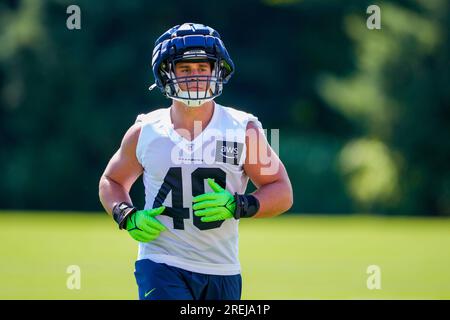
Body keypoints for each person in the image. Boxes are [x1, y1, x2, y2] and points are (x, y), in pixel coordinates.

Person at [98, 22, 293, 300]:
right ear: (167, 73)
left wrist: (238, 205)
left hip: (222, 269)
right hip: (160, 262)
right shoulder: (145, 131)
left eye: (203, 68)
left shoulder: (244, 129)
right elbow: (111, 180)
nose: (195, 77)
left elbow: (282, 191)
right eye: (185, 69)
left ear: (217, 71)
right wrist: (125, 215)